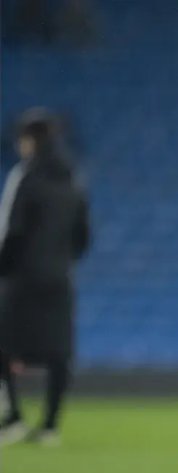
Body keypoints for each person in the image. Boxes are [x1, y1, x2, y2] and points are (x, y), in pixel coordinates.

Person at [0, 108, 90, 445]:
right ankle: (50, 426)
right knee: (58, 352)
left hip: (20, 277)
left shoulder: (24, 177)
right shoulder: (72, 179)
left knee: (4, 345)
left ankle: (13, 419)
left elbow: (12, 231)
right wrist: (63, 260)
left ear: (30, 140)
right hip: (59, 276)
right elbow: (84, 235)